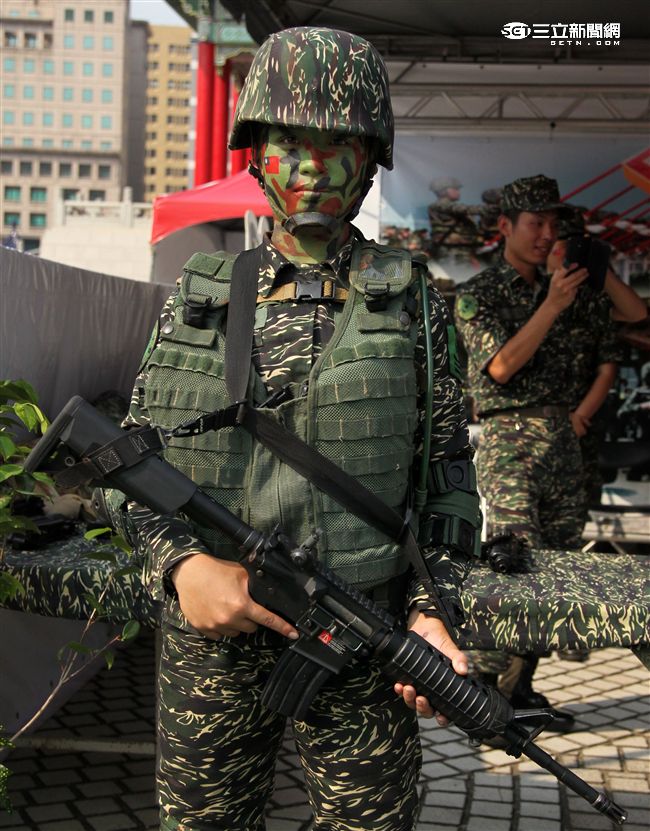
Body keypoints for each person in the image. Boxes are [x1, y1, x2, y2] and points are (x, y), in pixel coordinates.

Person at [116, 27, 481, 831]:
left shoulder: (415, 298)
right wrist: (180, 565)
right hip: (212, 643)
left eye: (338, 143)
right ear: (258, 151)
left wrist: (432, 612)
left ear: (370, 158)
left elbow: (447, 478)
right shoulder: (205, 290)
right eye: (291, 141)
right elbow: (129, 461)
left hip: (361, 639)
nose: (314, 166)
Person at [454, 174, 592, 733]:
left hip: (562, 442)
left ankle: (520, 689)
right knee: (513, 568)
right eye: (535, 223)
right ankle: (480, 694)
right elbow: (503, 367)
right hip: (510, 443)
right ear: (505, 226)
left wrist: (565, 293)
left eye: (553, 225)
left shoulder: (563, 287)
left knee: (553, 569)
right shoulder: (479, 294)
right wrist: (553, 305)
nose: (546, 234)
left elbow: (629, 324)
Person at [546, 208, 645, 514]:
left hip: (579, 431)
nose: (560, 251)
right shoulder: (520, 293)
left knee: (572, 526)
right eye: (557, 244)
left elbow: (636, 315)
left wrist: (601, 269)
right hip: (530, 430)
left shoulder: (590, 299)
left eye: (570, 244)